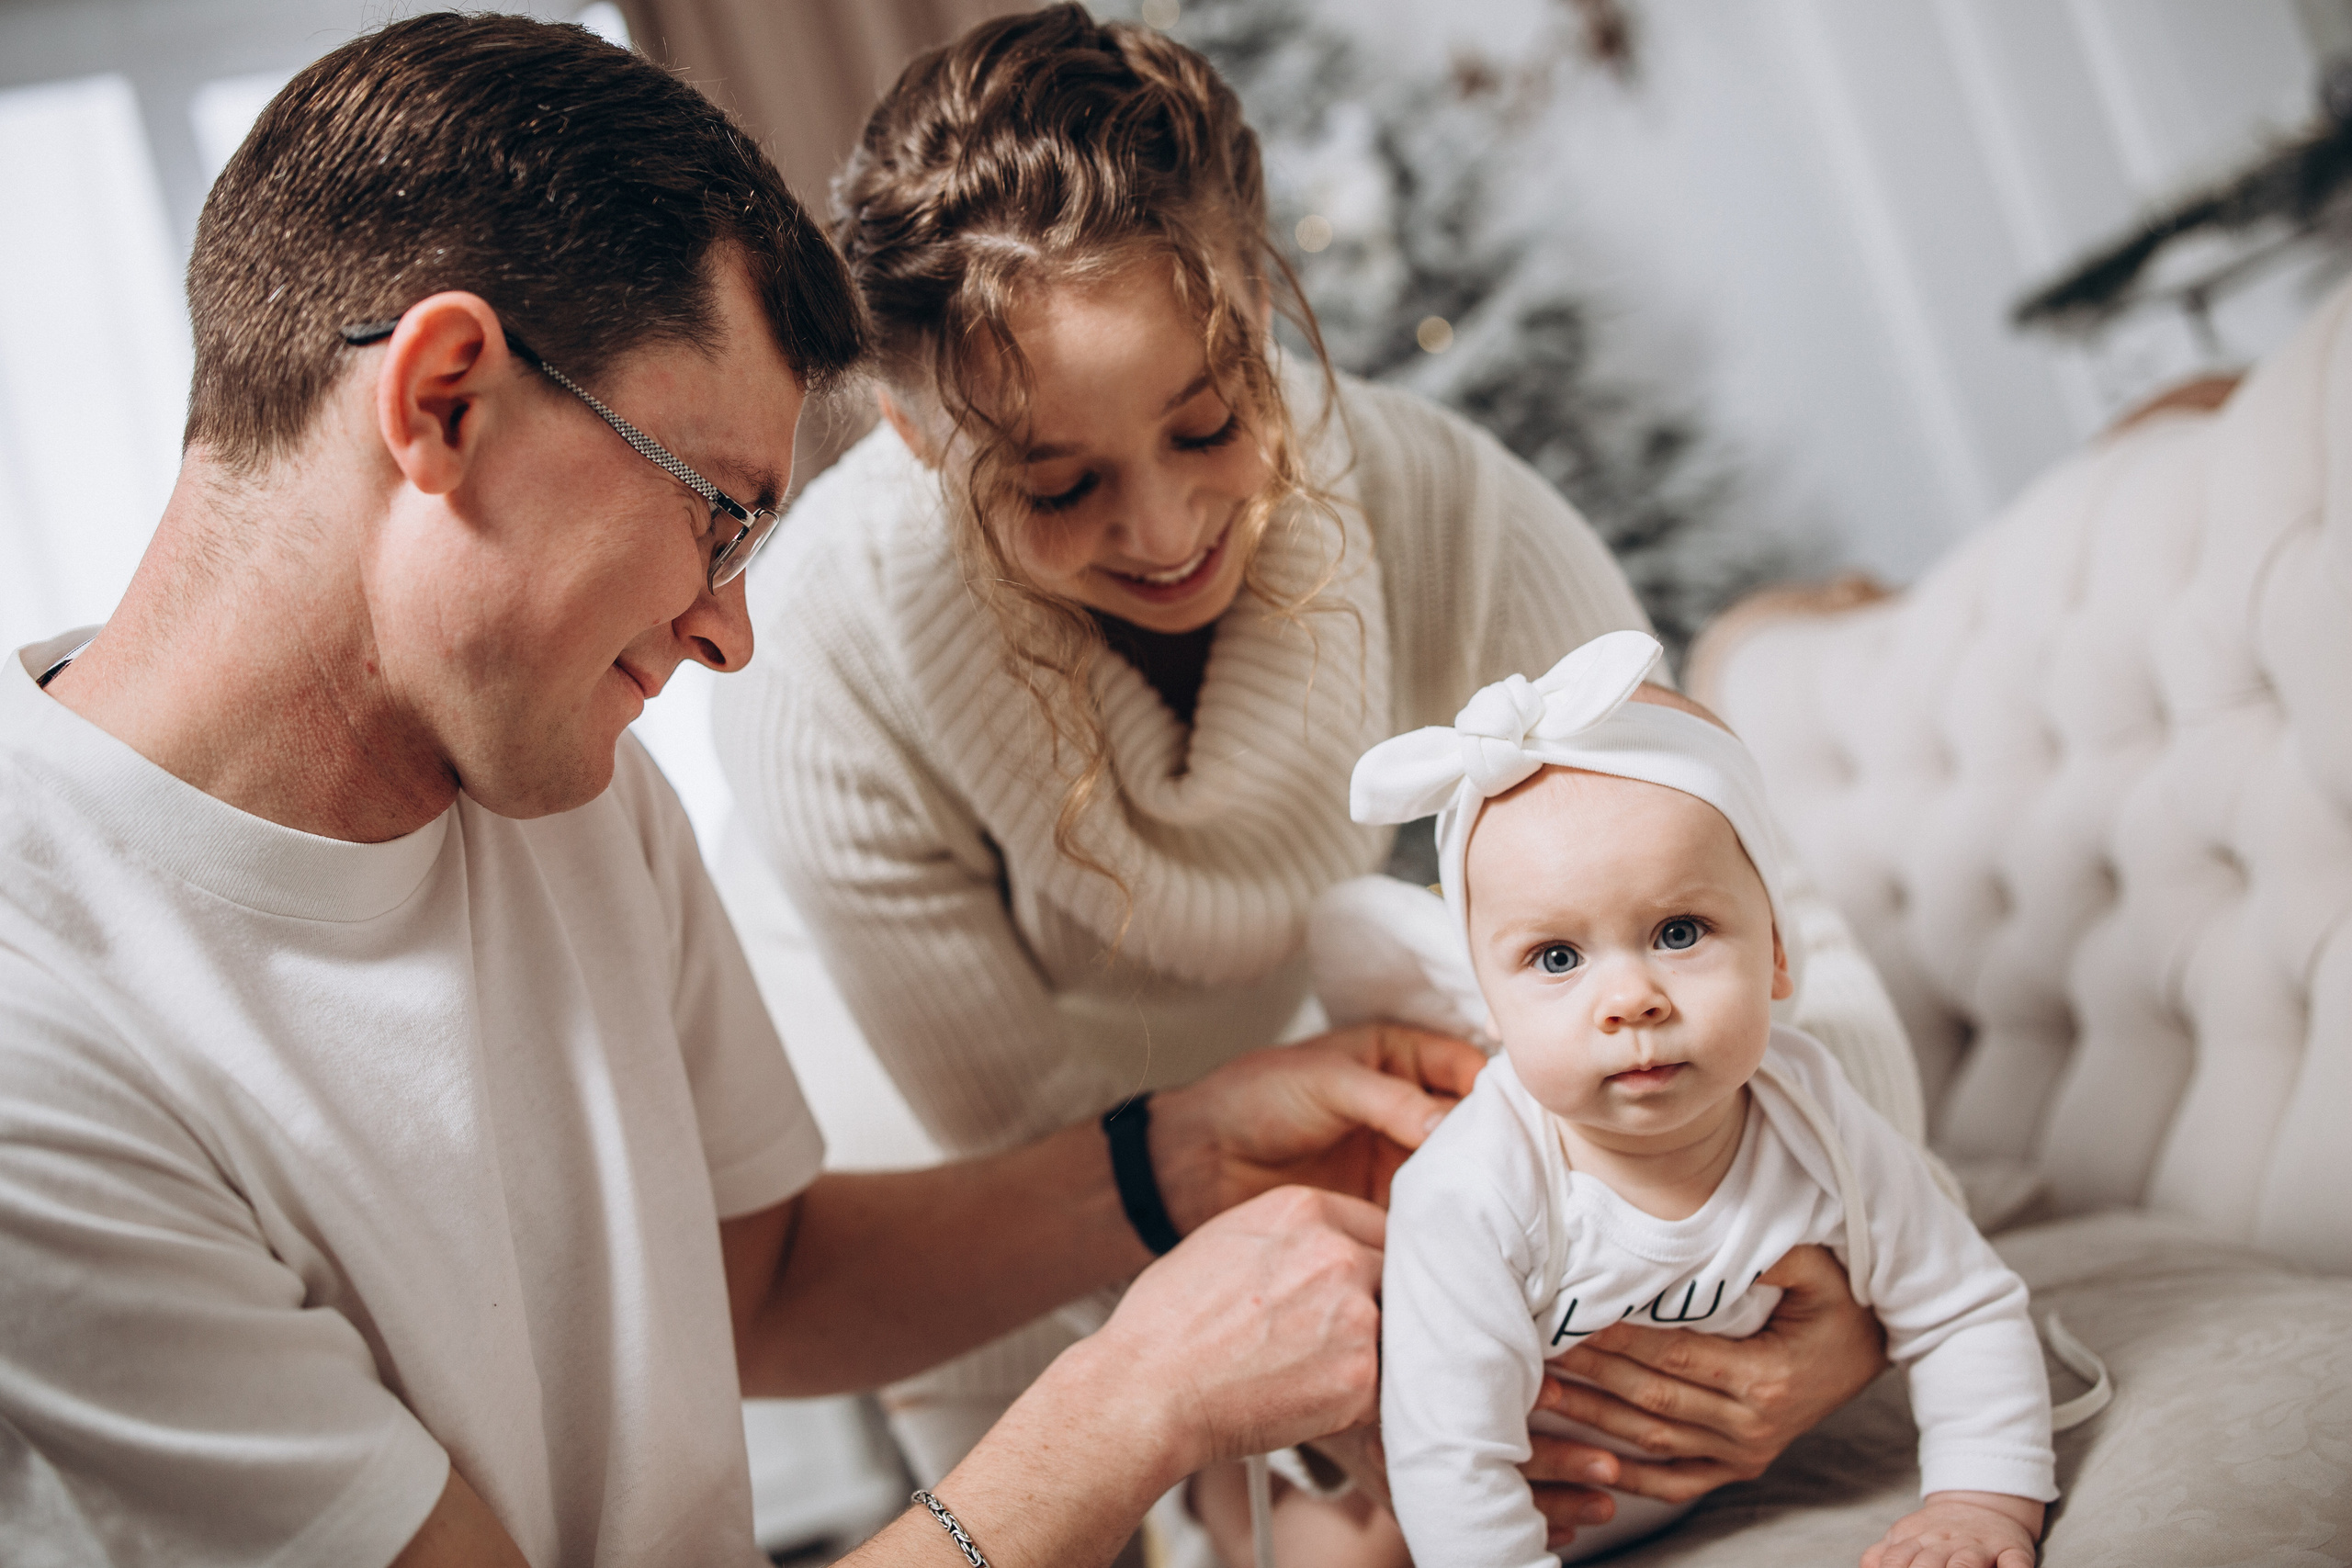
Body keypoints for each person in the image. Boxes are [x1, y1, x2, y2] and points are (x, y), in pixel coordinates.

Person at [0, 14, 1488, 1567]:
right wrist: (1134, 1402)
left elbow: (761, 1283)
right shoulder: (36, 1051)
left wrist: (1178, 1154)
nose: (729, 627)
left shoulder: (569, 786)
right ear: (444, 400)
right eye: (721, 515)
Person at [713, 4, 1926, 1557]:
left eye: (1210, 420)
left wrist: (1858, 1306)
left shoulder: (1447, 507)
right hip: (956, 1133)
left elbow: (1785, 955)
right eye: (1057, 482)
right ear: (912, 430)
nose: (1162, 533)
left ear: (1266, 299)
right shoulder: (824, 661)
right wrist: (1359, 1418)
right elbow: (1070, 1177)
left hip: (1262, 1051)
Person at [1343, 633, 2054, 1568]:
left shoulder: (1812, 1117)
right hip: (1431, 1506)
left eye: (1679, 931)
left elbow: (1961, 1307)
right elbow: (1449, 1458)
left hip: (1675, 1493)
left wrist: (1982, 1503)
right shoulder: (1473, 1194)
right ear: (1489, 1007)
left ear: (1775, 954)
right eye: (1555, 958)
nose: (1630, 999)